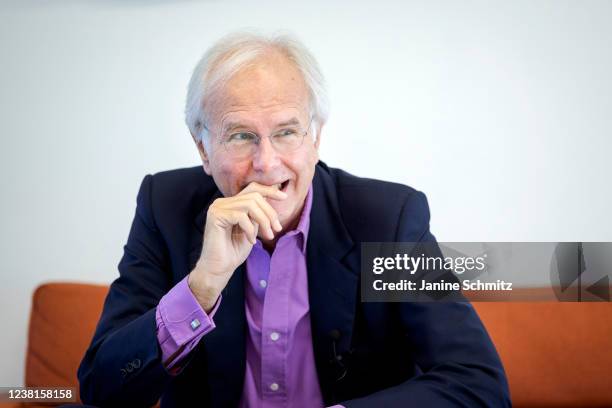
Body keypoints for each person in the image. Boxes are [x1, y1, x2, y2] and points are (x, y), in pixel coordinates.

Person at [78, 32, 510, 408]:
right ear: (203, 149)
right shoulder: (166, 207)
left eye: (286, 132)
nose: (266, 163)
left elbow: (477, 384)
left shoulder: (386, 221)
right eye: (241, 136)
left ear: (316, 138)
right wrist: (201, 286)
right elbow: (101, 387)